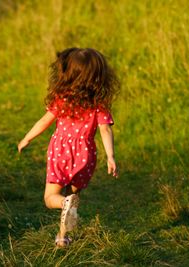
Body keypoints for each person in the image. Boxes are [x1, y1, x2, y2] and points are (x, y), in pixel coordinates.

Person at [18, 47, 119, 247]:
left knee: (51, 198)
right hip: (86, 156)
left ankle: (63, 207)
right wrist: (111, 156)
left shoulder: (62, 99)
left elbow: (44, 121)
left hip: (60, 152)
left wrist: (27, 138)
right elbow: (105, 130)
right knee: (72, 198)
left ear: (68, 74)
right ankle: (63, 238)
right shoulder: (99, 104)